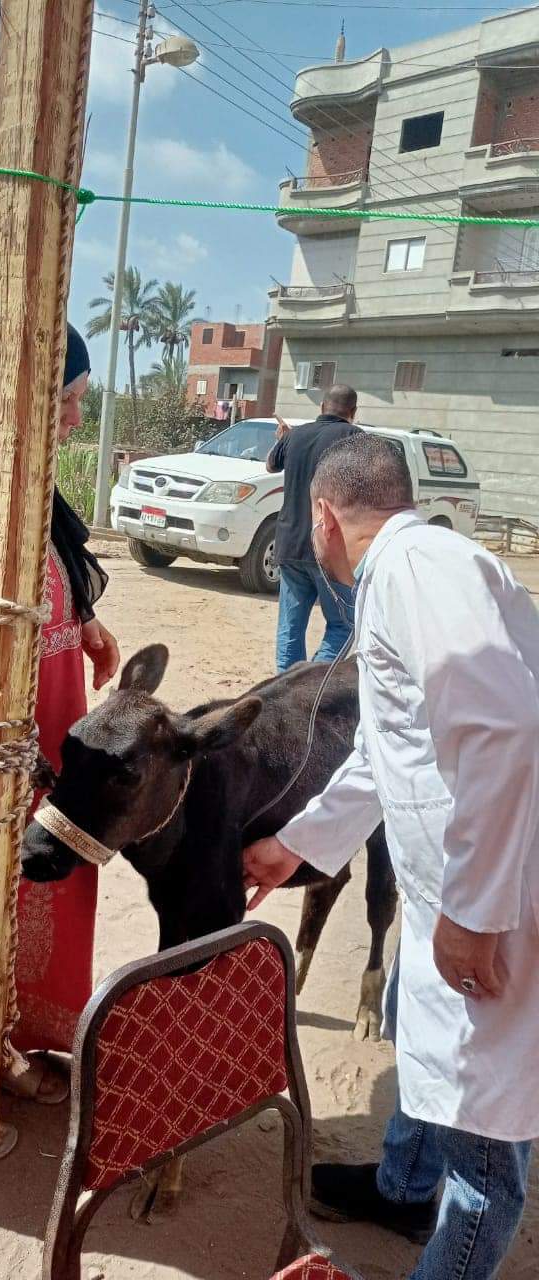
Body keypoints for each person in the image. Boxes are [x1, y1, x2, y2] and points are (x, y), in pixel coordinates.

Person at [244, 432, 539, 1279]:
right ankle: (406, 1182)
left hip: (492, 889)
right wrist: (294, 848)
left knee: (486, 1160)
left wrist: (473, 916)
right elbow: (387, 751)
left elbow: (504, 728)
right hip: (448, 879)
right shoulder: (400, 578)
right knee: (415, 1017)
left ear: (323, 514)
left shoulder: (418, 571)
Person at [0, 323, 120, 1159]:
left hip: (47, 735)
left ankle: (7, 1044)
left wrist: (85, 624)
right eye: (64, 402)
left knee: (40, 881)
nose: (70, 422)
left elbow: (56, 562)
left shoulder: (28, 484)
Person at [267, 386, 359, 672]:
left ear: (322, 406)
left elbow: (271, 465)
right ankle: (313, 685)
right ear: (353, 413)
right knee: (344, 625)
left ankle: (285, 690)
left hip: (289, 543)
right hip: (329, 548)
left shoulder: (294, 435)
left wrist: (283, 440)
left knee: (290, 628)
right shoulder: (355, 439)